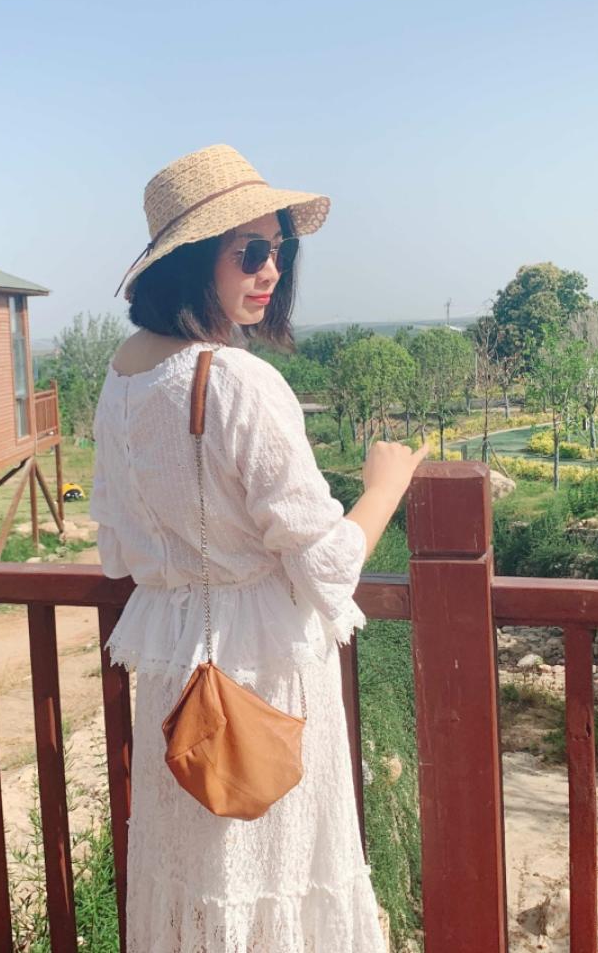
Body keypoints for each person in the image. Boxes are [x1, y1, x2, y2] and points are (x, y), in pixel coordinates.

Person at [90, 144, 427, 952]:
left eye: (280, 249)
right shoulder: (238, 381)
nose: (271, 269)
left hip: (174, 671)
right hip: (261, 670)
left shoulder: (122, 378)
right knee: (279, 879)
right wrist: (386, 486)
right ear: (193, 260)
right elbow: (328, 566)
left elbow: (115, 553)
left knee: (198, 885)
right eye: (249, 252)